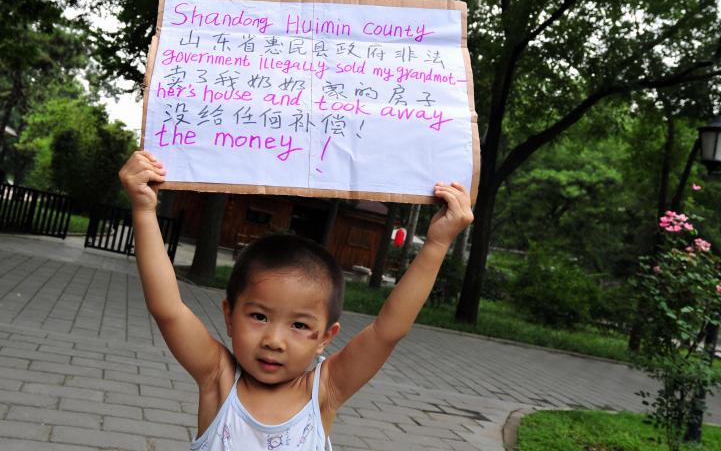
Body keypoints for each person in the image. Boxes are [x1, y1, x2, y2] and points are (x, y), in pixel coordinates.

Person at [119, 150, 473, 451]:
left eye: (300, 325)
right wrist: (144, 212)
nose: (274, 340)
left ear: (326, 338)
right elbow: (168, 309)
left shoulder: (324, 391)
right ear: (229, 316)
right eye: (258, 316)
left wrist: (437, 244)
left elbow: (387, 331)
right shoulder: (218, 378)